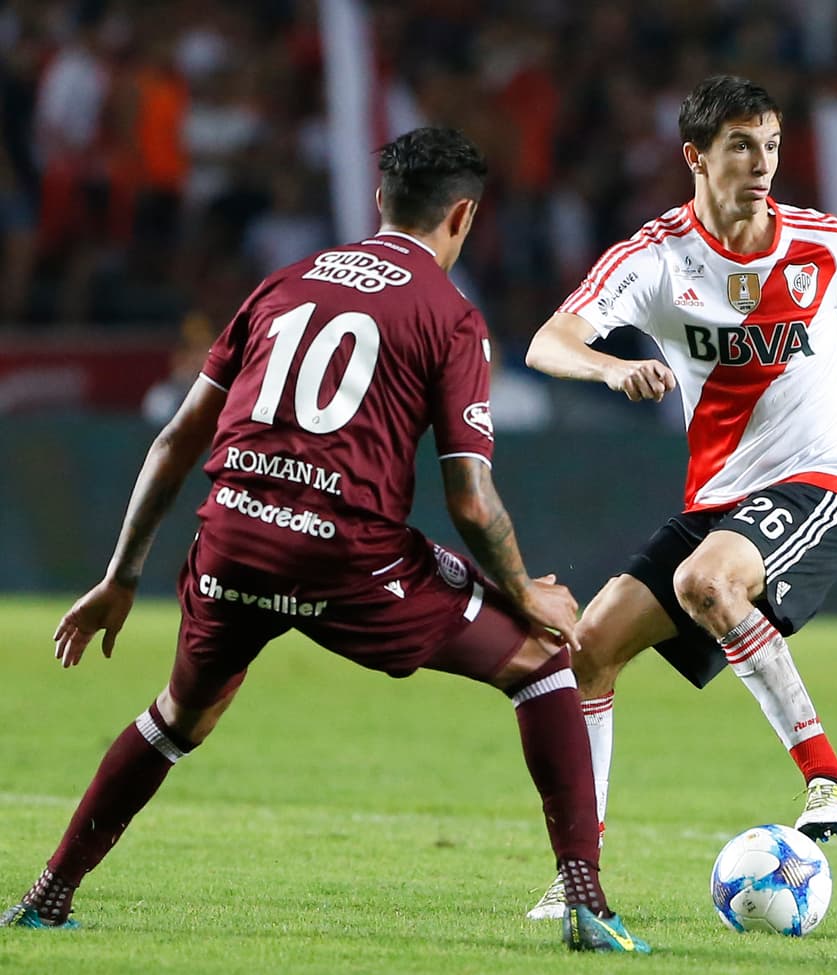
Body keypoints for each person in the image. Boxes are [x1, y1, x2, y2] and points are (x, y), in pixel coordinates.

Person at [0, 127, 648, 954]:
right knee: (543, 658)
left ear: (379, 201)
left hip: (231, 539)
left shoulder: (282, 284)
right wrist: (527, 594)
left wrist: (120, 574)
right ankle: (585, 899)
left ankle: (48, 893)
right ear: (463, 216)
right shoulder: (451, 317)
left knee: (178, 716)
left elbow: (173, 440)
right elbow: (472, 500)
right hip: (348, 554)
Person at [522, 74, 837, 918]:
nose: (762, 163)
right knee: (588, 646)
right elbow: (551, 340)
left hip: (817, 482)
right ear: (696, 156)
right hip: (716, 500)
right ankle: (578, 875)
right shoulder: (655, 257)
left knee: (706, 583)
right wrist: (612, 365)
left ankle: (829, 780)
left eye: (771, 145)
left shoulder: (823, 243)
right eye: (740, 146)